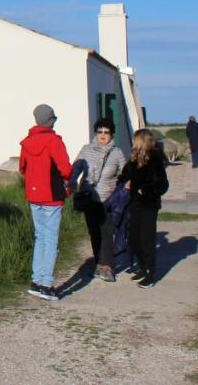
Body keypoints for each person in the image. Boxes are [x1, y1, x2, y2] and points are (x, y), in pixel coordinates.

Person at [18, 104, 73, 301]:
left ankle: (36, 280)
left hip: (33, 195)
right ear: (50, 120)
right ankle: (47, 285)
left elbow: (22, 167)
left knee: (40, 237)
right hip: (52, 195)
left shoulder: (26, 142)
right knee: (50, 240)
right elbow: (66, 169)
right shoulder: (54, 141)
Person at [69, 117, 127, 282]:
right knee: (94, 232)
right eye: (99, 131)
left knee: (107, 233)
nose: (102, 135)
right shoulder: (86, 150)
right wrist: (72, 180)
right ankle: (99, 262)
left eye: (106, 132)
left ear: (111, 134)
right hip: (90, 198)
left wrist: (123, 188)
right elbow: (77, 167)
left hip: (109, 198)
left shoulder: (117, 153)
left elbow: (124, 173)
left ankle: (107, 265)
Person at [118, 128, 169, 288]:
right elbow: (124, 175)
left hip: (148, 205)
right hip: (134, 204)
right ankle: (142, 266)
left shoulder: (155, 158)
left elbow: (163, 184)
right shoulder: (133, 159)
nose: (133, 142)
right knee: (133, 239)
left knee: (147, 240)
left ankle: (151, 273)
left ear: (141, 141)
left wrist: (145, 190)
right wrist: (124, 182)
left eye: (135, 140)